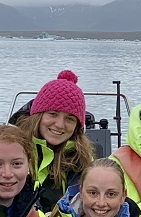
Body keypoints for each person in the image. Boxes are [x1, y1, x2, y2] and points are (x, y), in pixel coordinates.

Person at [19, 70, 94, 209]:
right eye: (53, 114)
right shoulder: (12, 149)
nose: (60, 125)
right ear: (38, 116)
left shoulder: (83, 161)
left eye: (69, 119)